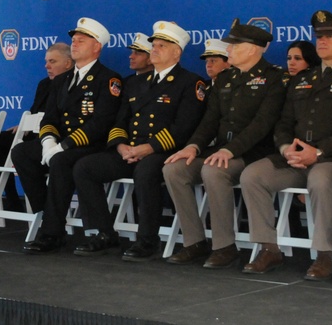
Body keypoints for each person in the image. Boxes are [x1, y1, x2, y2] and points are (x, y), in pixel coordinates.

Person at [240, 10, 332, 275]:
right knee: (252, 175)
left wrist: (319, 152)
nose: (322, 41)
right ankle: (269, 249)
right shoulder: (303, 79)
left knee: (321, 178)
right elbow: (283, 122)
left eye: (330, 36)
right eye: (319, 36)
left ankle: (325, 255)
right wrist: (284, 148)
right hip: (295, 158)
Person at [71, 21, 205, 261]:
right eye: (153, 45)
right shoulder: (134, 82)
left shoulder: (190, 83)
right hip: (130, 149)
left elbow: (184, 128)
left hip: (164, 151)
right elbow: (119, 121)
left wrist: (148, 148)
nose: (154, 49)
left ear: (177, 52)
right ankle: (103, 232)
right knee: (85, 167)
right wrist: (122, 146)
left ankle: (147, 240)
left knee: (144, 172)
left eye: (161, 46)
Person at [162, 19, 287, 268]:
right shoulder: (226, 78)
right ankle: (194, 241)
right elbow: (210, 120)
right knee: (174, 169)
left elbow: (262, 124)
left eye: (233, 45)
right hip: (220, 150)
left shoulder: (275, 78)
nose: (227, 50)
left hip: (253, 153)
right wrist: (193, 146)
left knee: (214, 170)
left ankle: (224, 246)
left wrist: (230, 150)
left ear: (252, 48)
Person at [16, 17, 122, 254]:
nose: (74, 43)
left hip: (91, 145)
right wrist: (47, 141)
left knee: (62, 161)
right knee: (21, 152)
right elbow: (50, 118)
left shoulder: (109, 79)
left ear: (97, 47)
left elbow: (101, 123)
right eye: (73, 40)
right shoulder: (62, 80)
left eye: (81, 40)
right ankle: (48, 214)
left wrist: (63, 146)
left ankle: (51, 232)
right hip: (61, 144)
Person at [0, 43, 73, 210]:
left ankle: (47, 207)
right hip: (36, 132)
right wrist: (24, 124)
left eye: (52, 61)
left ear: (68, 63)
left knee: (23, 151)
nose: (47, 66)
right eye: (46, 61)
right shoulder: (44, 84)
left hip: (57, 136)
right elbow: (35, 109)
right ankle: (11, 197)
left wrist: (35, 123)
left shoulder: (73, 84)